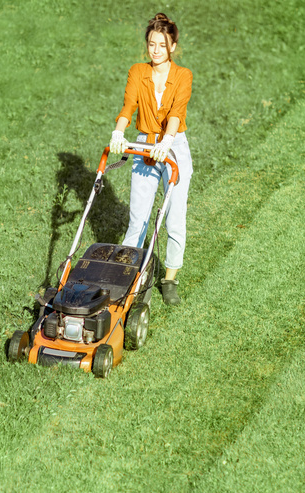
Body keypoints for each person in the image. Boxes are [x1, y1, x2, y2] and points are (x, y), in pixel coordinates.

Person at [110, 13, 193, 306]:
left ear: (172, 46)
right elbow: (128, 105)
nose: (155, 50)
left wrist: (167, 142)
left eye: (162, 44)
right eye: (151, 44)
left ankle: (169, 280)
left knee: (174, 219)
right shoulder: (137, 72)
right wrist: (118, 133)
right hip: (144, 145)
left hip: (174, 148)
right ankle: (125, 275)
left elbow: (176, 113)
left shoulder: (183, 76)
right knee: (138, 218)